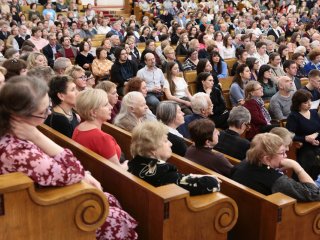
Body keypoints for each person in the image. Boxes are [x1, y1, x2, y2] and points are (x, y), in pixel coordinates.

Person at [0, 76, 138, 239]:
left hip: (40, 195)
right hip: (35, 214)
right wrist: (36, 135)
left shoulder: (12, 134)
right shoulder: (17, 151)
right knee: (114, 218)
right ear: (18, 117)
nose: (49, 112)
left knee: (107, 199)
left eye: (49, 106)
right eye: (42, 112)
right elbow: (75, 170)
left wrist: (85, 175)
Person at [128, 121, 220, 196]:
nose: (170, 144)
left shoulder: (134, 163)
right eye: (165, 140)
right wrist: (211, 178)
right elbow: (212, 184)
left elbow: (181, 179)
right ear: (153, 149)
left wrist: (196, 176)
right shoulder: (163, 172)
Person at [231, 133, 320, 202]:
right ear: (267, 158)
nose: (285, 156)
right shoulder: (276, 181)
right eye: (282, 153)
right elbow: (315, 194)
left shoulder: (242, 164)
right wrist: (297, 167)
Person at [73, 89, 127, 169]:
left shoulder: (79, 128)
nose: (111, 107)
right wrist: (127, 165)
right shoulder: (103, 138)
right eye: (105, 105)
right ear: (93, 112)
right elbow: (118, 171)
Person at [286, 90, 320, 180]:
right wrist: (305, 139)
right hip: (302, 146)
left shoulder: (314, 112)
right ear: (298, 104)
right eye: (305, 102)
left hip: (317, 142)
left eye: (310, 101)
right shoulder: (293, 116)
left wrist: (316, 135)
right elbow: (289, 135)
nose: (309, 104)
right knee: (311, 160)